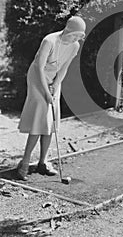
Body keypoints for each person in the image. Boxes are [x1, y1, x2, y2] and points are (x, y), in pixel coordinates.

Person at [16, 16, 86, 181]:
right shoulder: (50, 40)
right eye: (74, 35)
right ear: (67, 30)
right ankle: (24, 163)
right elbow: (39, 68)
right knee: (40, 118)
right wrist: (46, 93)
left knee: (51, 119)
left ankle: (43, 162)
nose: (75, 39)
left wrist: (54, 87)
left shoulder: (74, 46)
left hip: (54, 80)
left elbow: (63, 69)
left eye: (79, 37)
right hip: (37, 78)